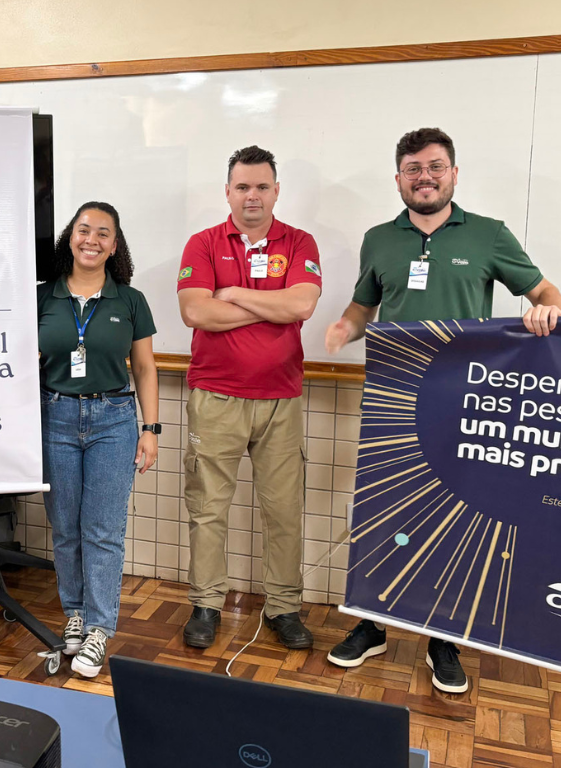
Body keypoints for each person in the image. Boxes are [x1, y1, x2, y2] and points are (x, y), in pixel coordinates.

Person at [323, 127, 561, 694]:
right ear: (399, 178)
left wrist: (545, 315)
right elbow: (363, 308)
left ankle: (444, 638)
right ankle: (373, 623)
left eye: (435, 167)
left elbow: (549, 296)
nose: (424, 177)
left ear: (454, 174)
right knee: (386, 515)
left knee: (453, 519)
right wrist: (343, 328)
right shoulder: (379, 239)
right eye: (413, 168)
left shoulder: (488, 235)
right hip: (393, 400)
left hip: (463, 405)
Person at [177, 146, 322, 651]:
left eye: (262, 186)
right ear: (228, 192)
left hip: (281, 399)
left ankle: (283, 607)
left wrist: (234, 293)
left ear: (276, 191)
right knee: (208, 508)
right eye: (242, 186)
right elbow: (196, 314)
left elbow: (302, 302)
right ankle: (206, 605)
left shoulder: (299, 241)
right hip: (215, 397)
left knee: (283, 511)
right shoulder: (203, 243)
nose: (252, 195)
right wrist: (273, 308)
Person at [38, 201, 159, 678]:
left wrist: (150, 429)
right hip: (55, 419)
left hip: (113, 419)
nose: (91, 239)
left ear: (114, 245)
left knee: (103, 530)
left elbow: (146, 369)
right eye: (84, 230)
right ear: (70, 237)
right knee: (65, 527)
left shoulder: (130, 300)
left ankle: (99, 629)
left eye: (103, 233)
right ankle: (75, 613)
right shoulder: (42, 296)